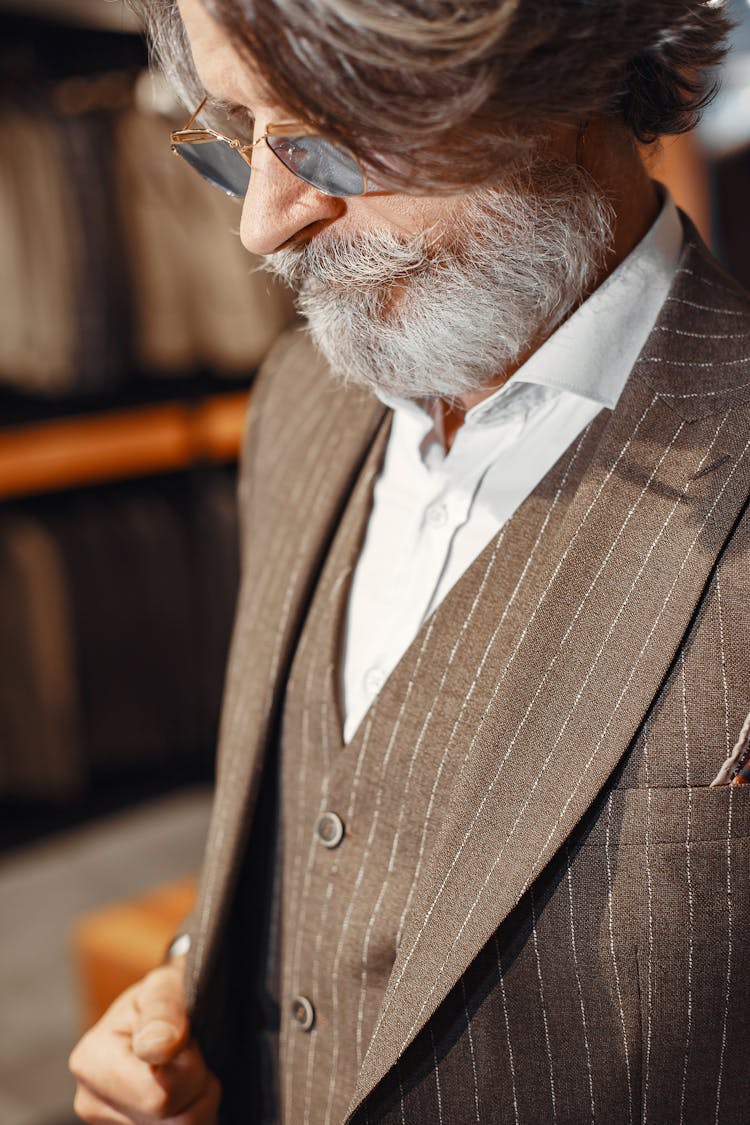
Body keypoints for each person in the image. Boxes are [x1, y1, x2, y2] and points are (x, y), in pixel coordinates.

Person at [69, 1, 750, 1122]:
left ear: (571, 63)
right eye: (238, 137)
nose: (265, 226)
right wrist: (192, 995)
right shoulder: (298, 404)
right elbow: (307, 837)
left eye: (333, 134)